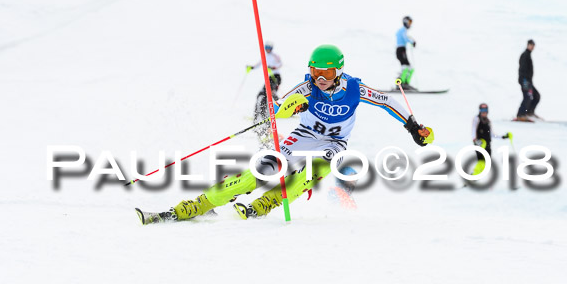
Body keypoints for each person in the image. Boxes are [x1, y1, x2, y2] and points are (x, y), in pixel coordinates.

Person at [137, 44, 433, 224]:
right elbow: (277, 109)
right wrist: (290, 106)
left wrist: (413, 127)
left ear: (339, 73)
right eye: (315, 72)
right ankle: (200, 204)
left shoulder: (354, 89)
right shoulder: (308, 88)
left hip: (333, 142)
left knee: (315, 169)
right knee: (260, 171)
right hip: (303, 135)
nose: (320, 79)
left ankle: (268, 202)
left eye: (327, 74)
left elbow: (387, 101)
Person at [471, 103, 511, 175]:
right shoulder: (477, 119)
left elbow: (492, 134)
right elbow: (473, 129)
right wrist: (474, 139)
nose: (484, 111)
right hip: (480, 143)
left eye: (485, 109)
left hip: (488, 145)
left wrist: (503, 137)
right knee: (481, 160)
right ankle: (474, 174)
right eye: (482, 109)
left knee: (486, 162)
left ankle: (476, 175)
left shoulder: (488, 121)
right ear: (479, 110)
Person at [515, 39, 541, 121]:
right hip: (525, 80)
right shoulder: (525, 55)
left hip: (528, 81)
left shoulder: (528, 55)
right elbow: (522, 69)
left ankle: (529, 112)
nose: (532, 47)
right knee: (528, 97)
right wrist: (524, 80)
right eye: (531, 45)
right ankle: (520, 114)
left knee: (536, 96)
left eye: (533, 45)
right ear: (528, 45)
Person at [395, 16, 416, 90]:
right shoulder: (402, 30)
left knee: (410, 67)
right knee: (405, 67)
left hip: (402, 49)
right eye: (409, 22)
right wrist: (412, 42)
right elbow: (405, 38)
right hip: (400, 50)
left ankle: (405, 83)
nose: (410, 24)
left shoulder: (402, 31)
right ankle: (400, 84)